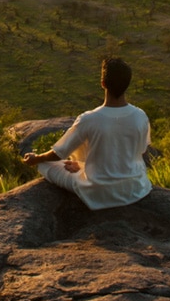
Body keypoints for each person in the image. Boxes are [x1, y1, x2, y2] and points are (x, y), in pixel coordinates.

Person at [22, 57, 152, 209]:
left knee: (45, 165)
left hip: (98, 192)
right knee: (70, 164)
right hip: (135, 189)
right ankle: (83, 167)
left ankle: (81, 169)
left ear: (103, 83)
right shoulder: (140, 116)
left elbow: (59, 153)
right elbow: (140, 150)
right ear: (127, 84)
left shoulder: (89, 119)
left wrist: (36, 158)